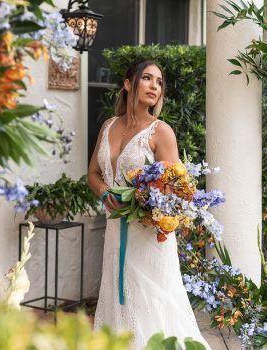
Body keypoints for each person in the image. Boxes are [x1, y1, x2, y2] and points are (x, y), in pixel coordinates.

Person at [88, 61, 211, 350]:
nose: (155, 85)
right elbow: (92, 173)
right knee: (119, 299)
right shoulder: (108, 126)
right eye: (147, 78)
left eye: (159, 81)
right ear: (128, 84)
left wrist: (143, 201)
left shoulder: (161, 132)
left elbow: (177, 190)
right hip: (115, 230)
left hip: (148, 236)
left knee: (152, 302)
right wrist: (105, 192)